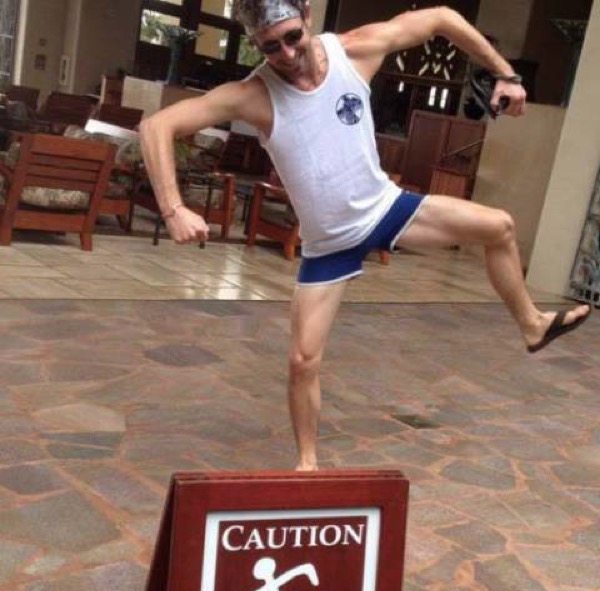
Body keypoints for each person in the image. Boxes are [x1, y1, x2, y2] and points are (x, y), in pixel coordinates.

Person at [139, 0, 591, 471]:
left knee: (499, 227)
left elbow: (441, 18)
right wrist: (173, 208)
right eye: (271, 47)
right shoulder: (253, 95)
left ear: (308, 17)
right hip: (328, 244)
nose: (287, 54)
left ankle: (532, 324)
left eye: (293, 37)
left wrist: (506, 74)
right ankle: (308, 465)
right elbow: (156, 126)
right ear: (256, 45)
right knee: (302, 361)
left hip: (385, 210)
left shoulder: (355, 51)